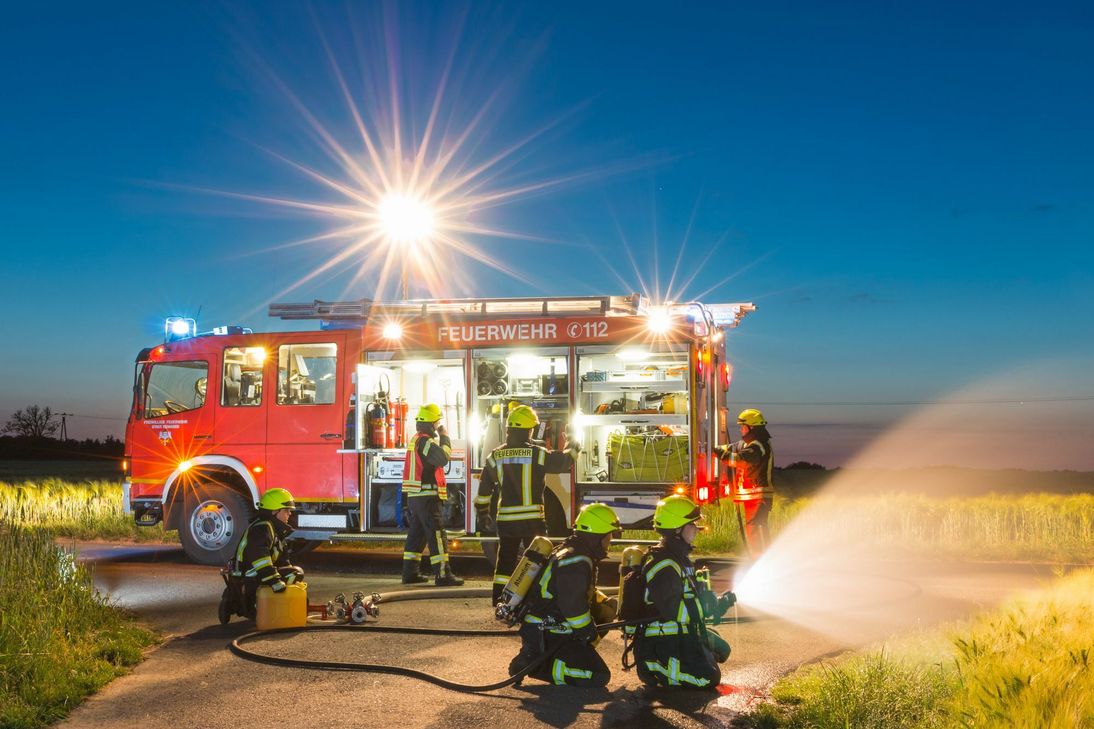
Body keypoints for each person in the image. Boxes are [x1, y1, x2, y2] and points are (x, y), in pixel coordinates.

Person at [473, 404, 580, 603]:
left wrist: (482, 513)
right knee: (537, 560)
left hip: (506, 520)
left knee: (505, 561)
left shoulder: (495, 456)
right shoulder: (538, 454)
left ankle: (499, 599)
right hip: (532, 520)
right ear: (529, 430)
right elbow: (565, 461)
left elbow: (484, 490)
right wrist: (573, 440)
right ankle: (535, 600)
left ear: (508, 430)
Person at [509, 503, 621, 687]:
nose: (611, 540)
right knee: (597, 676)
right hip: (549, 631)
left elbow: (578, 594)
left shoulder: (573, 551)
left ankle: (559, 655)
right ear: (597, 535)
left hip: (546, 625)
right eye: (609, 535)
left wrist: (605, 606)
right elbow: (572, 605)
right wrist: (587, 632)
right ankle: (540, 665)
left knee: (607, 608)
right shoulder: (576, 561)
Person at [635, 495, 733, 689]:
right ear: (677, 529)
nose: (696, 528)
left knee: (722, 649)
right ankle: (654, 666)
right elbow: (674, 610)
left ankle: (691, 659)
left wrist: (717, 604)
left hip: (680, 632)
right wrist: (705, 606)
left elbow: (691, 600)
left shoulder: (679, 559)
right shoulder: (664, 565)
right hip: (662, 640)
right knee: (707, 679)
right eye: (691, 524)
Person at [401, 403, 464, 586]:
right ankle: (443, 575)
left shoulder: (416, 440)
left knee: (417, 535)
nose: (438, 426)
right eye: (437, 423)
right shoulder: (425, 441)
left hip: (417, 497)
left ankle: (410, 573)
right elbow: (443, 458)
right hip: (427, 497)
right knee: (437, 535)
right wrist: (445, 436)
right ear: (431, 424)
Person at [230, 487, 305, 618]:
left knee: (294, 572)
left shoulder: (272, 528)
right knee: (294, 574)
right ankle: (267, 607)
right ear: (275, 511)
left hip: (253, 574)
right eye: (286, 510)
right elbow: (260, 557)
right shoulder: (263, 528)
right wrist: (274, 581)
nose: (290, 514)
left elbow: (282, 561)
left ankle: (260, 605)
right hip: (248, 576)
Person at [714, 408, 774, 555]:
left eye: (743, 426)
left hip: (758, 496)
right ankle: (760, 558)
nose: (741, 429)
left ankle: (763, 559)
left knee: (756, 529)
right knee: (753, 529)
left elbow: (739, 459)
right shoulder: (747, 444)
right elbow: (729, 448)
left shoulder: (758, 446)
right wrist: (713, 449)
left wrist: (721, 454)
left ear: (751, 427)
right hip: (752, 497)